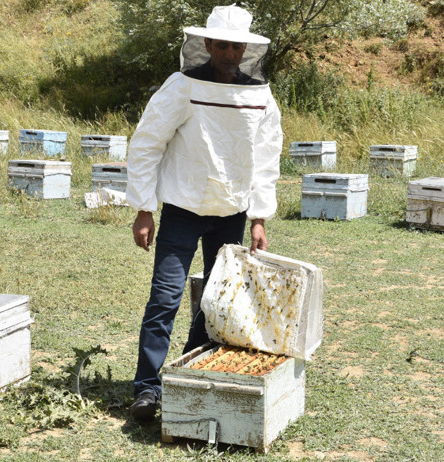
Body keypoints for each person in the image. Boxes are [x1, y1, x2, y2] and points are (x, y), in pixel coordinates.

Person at [125, 5, 283, 421]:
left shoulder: (259, 95)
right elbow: (146, 143)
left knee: (214, 301)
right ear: (208, 44)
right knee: (165, 297)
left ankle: (187, 372)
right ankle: (147, 387)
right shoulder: (181, 86)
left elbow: (266, 160)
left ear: (246, 49)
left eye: (237, 46)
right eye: (223, 45)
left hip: (231, 213)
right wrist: (144, 209)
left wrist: (260, 218)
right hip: (181, 209)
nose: (230, 52)